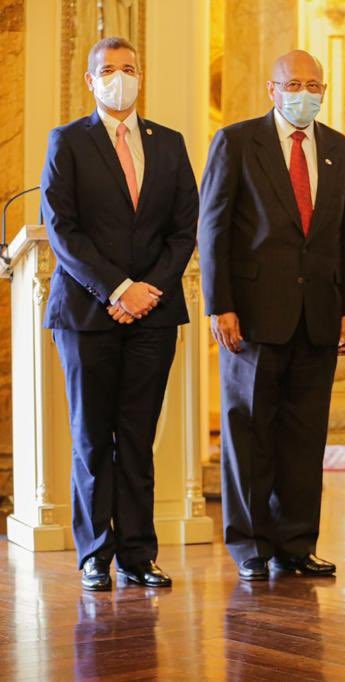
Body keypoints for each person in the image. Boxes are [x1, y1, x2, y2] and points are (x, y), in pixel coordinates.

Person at [198, 49, 345, 581]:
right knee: (249, 432)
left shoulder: (341, 149)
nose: (304, 92)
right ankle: (251, 544)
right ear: (272, 90)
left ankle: (297, 543)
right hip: (250, 316)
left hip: (318, 315)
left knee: (303, 435)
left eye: (314, 83)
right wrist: (219, 303)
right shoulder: (236, 141)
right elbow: (213, 227)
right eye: (293, 83)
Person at [40, 36, 198, 590]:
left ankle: (137, 553)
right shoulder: (68, 142)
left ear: (141, 76)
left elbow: (184, 229)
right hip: (86, 313)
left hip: (153, 315)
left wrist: (148, 289)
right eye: (109, 69)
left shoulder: (170, 144)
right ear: (90, 81)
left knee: (136, 437)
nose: (120, 77)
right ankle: (94, 555)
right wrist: (117, 289)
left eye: (129, 68)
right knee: (91, 437)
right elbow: (62, 229)